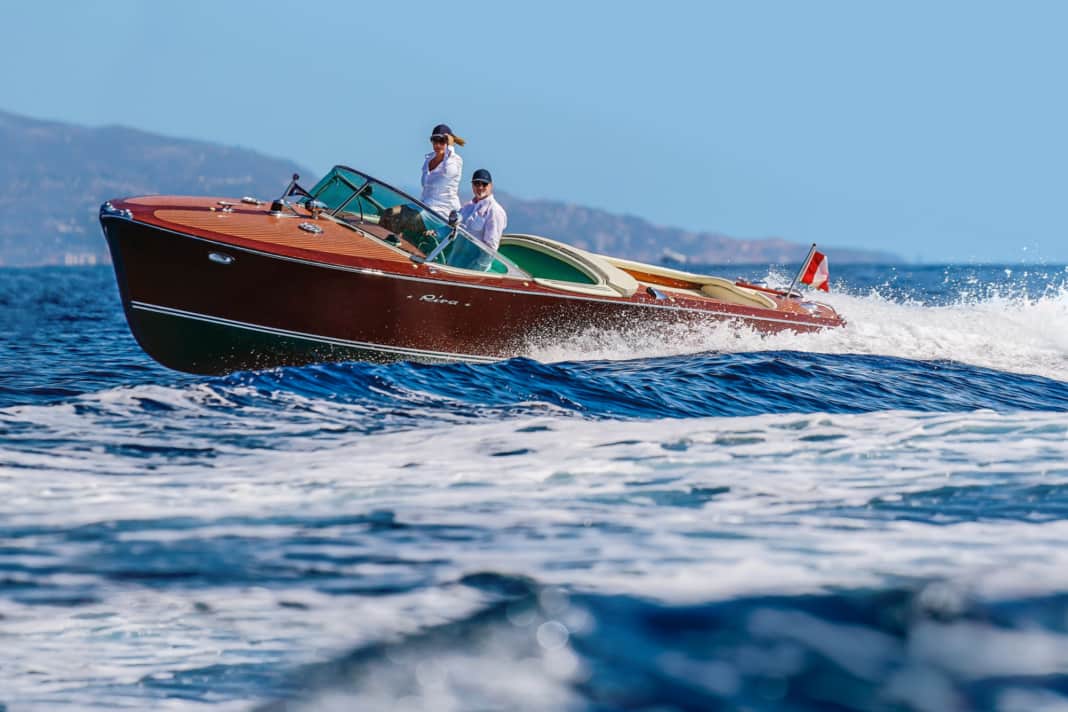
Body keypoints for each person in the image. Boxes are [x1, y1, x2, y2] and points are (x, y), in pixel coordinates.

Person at [453, 168, 507, 271]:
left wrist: (475, 271)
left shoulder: (495, 211)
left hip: (472, 270)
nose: (480, 187)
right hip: (454, 264)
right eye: (476, 184)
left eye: (484, 184)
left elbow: (490, 248)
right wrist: (436, 233)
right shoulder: (467, 207)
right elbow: (453, 229)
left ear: (491, 186)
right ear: (472, 186)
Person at [420, 123, 464, 217]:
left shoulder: (455, 160)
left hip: (443, 212)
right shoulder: (428, 159)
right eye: (434, 140)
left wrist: (450, 147)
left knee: (408, 218)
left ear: (448, 141)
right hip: (425, 207)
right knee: (391, 213)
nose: (438, 145)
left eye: (442, 141)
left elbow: (448, 173)